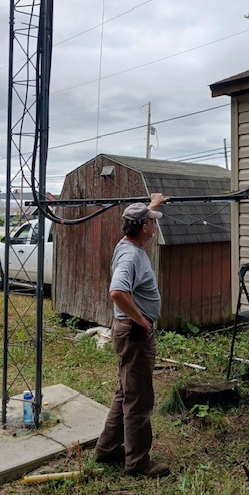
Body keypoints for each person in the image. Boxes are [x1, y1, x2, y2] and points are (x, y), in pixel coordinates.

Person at [95, 193, 170, 477]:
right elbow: (117, 291)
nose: (154, 226)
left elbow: (139, 217)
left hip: (130, 331)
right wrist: (142, 320)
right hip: (135, 332)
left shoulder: (127, 242)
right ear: (144, 228)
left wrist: (153, 205)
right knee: (139, 397)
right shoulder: (131, 256)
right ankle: (137, 462)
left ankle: (108, 448)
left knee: (126, 391)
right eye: (152, 222)